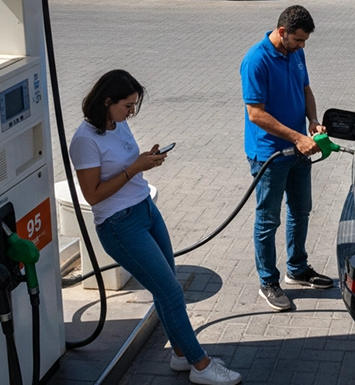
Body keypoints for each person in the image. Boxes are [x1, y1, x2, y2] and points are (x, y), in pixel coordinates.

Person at [69, 70, 242, 385]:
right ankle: (200, 365)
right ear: (107, 101)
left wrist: (145, 159)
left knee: (167, 286)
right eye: (127, 105)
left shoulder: (117, 124)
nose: (131, 112)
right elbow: (92, 195)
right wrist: (135, 168)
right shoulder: (84, 140)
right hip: (119, 225)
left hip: (145, 209)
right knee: (171, 291)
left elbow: (125, 164)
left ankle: (180, 352)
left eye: (134, 105)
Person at [240, 5, 334, 312]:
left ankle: (297, 269)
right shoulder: (256, 60)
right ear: (282, 32)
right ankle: (268, 281)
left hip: (299, 148)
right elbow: (255, 113)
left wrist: (313, 122)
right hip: (270, 154)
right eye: (298, 39)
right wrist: (295, 137)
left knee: (301, 210)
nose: (302, 46)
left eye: (305, 40)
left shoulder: (296, 54)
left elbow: (305, 88)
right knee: (268, 219)